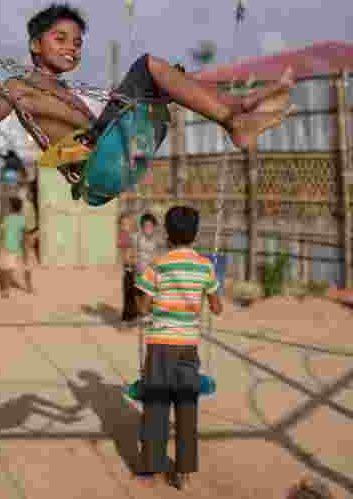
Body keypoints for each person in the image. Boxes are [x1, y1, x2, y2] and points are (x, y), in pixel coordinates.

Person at [0, 4, 295, 177]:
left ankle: (239, 106)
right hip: (86, 159)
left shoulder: (64, 89)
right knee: (148, 66)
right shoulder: (19, 85)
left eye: (77, 43)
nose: (71, 48)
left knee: (168, 78)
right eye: (60, 39)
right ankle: (235, 116)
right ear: (35, 44)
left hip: (100, 147)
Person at [133, 205, 222, 490]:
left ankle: (153, 467)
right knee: (186, 406)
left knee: (156, 405)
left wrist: (138, 298)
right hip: (188, 347)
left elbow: (143, 307)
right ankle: (183, 470)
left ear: (167, 233)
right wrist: (208, 296)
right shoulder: (205, 266)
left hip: (160, 346)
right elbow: (217, 307)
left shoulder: (159, 264)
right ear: (195, 235)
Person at [0, 196, 27, 299]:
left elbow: (2, 233)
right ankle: (8, 288)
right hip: (15, 247)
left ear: (11, 207)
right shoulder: (22, 219)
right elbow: (23, 236)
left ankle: (5, 290)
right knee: (10, 268)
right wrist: (24, 249)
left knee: (5, 269)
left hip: (6, 246)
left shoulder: (7, 218)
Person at [118, 214, 138, 324]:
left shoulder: (134, 237)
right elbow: (124, 253)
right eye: (122, 224)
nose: (123, 227)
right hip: (129, 270)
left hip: (135, 270)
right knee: (128, 293)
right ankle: (127, 317)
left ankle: (131, 316)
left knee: (134, 293)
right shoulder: (124, 237)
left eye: (126, 224)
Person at [21, 181, 38, 293]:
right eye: (30, 192)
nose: (31, 195)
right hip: (26, 234)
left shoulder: (29, 205)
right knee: (27, 261)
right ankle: (29, 285)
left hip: (29, 234)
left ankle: (29, 284)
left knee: (27, 260)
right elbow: (26, 223)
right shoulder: (27, 205)